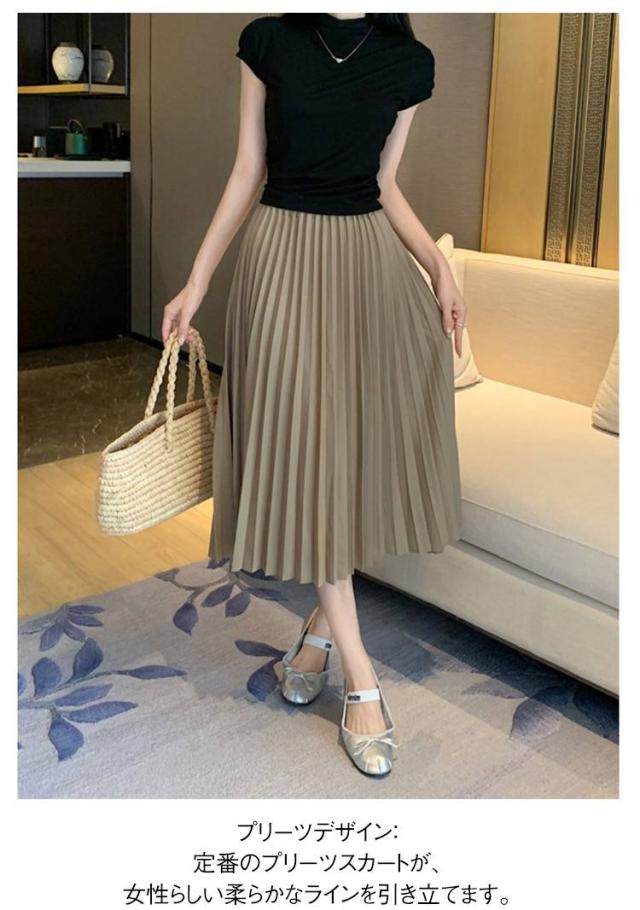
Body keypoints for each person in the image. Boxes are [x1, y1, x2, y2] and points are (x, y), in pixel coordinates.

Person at [162, 12, 466, 778]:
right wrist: (197, 282)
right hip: (281, 264)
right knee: (312, 456)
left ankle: (320, 636)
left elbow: (384, 185)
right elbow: (248, 169)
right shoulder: (269, 41)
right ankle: (361, 675)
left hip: (365, 268)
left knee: (353, 452)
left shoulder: (409, 62)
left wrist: (438, 267)